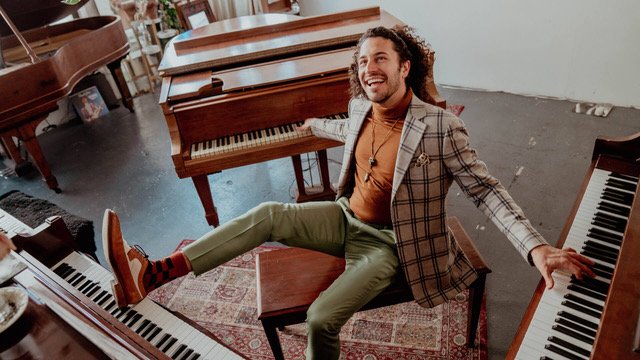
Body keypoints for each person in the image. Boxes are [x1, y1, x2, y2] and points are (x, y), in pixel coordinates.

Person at [103, 25, 596, 359]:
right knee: (268, 213)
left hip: (391, 246)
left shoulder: (441, 127)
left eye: (379, 58)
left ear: (405, 67)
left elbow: (486, 192)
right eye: (362, 62)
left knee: (321, 319)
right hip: (344, 218)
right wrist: (306, 123)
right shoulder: (361, 108)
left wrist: (537, 248)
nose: (368, 68)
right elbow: (343, 128)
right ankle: (156, 274)